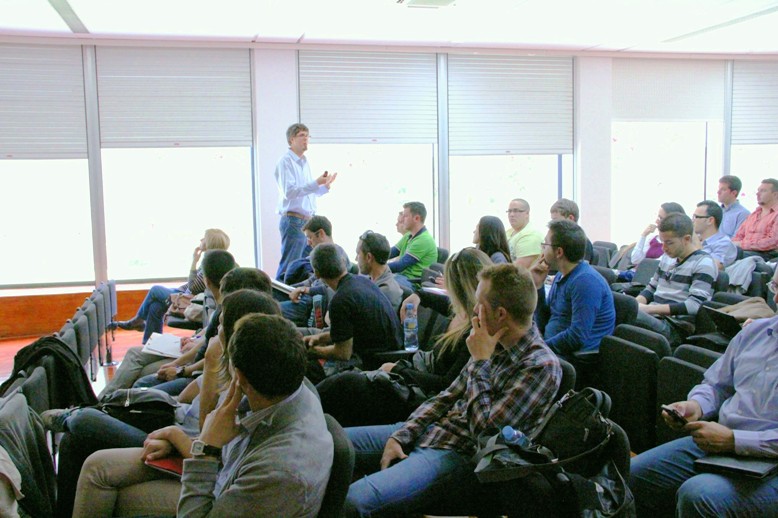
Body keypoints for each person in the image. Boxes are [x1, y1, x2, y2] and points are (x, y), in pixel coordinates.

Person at [343, 263, 561, 516]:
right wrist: (403, 434)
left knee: (353, 503)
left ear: (501, 314)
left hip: (458, 454)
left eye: (479, 304)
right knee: (329, 444)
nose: (474, 310)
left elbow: (485, 433)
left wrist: (480, 362)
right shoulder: (492, 341)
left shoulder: (540, 367)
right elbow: (446, 396)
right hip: (432, 430)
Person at [48, 290, 282, 518]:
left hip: (188, 450)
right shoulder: (232, 369)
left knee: (86, 425)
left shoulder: (246, 387)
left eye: (220, 325)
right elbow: (187, 398)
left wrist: (175, 435)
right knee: (73, 441)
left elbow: (209, 443)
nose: (215, 332)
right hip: (179, 431)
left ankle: (73, 415)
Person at [73, 313, 332, 518]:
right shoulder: (288, 387)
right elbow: (223, 445)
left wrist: (204, 451)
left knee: (115, 493)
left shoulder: (280, 472)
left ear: (240, 376)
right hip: (221, 473)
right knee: (97, 466)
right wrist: (184, 443)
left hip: (218, 492)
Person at [630, 295, 778, 517]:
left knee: (699, 495)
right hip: (722, 440)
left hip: (768, 456)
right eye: (776, 286)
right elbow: (717, 385)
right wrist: (697, 405)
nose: (776, 298)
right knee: (634, 474)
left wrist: (734, 440)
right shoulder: (755, 332)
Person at [316, 247, 489, 427]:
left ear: (459, 289)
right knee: (344, 385)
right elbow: (434, 299)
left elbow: (446, 385)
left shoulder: (474, 333)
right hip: (415, 376)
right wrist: (416, 296)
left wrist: (398, 370)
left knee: (346, 385)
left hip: (421, 396)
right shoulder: (461, 311)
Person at [99, 250, 238, 398]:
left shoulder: (228, 310)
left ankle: (106, 401)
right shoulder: (223, 305)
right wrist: (195, 339)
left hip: (195, 367)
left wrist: (180, 368)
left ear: (207, 281)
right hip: (192, 354)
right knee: (153, 312)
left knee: (141, 377)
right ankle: (106, 401)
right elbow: (209, 334)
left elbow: (214, 354)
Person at [113, 228, 230, 344]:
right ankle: (150, 343)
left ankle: (138, 321)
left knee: (155, 290)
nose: (201, 239)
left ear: (210, 242)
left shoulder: (211, 263)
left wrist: (194, 262)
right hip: (184, 294)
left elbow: (193, 287)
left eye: (204, 238)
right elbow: (191, 286)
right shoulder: (210, 260)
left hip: (190, 300)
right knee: (155, 306)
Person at [304, 243, 402, 377]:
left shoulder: (340, 300)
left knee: (306, 367)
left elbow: (343, 353)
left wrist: (311, 351)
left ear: (316, 273)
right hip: (392, 354)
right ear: (343, 262)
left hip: (372, 365)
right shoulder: (362, 281)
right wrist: (320, 337)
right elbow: (349, 331)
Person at [530, 219, 615, 360]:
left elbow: (576, 337)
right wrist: (538, 286)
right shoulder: (561, 274)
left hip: (575, 359)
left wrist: (539, 349)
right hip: (553, 349)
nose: (542, 249)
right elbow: (545, 320)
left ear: (559, 252)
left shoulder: (585, 282)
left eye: (545, 244)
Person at [634, 213, 717, 347]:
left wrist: (648, 309)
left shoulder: (704, 263)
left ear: (686, 239)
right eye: (662, 242)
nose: (664, 248)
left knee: (627, 314)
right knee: (620, 307)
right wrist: (634, 304)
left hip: (676, 327)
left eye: (669, 243)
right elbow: (651, 288)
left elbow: (694, 305)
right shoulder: (667, 257)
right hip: (655, 316)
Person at [274, 122, 337, 280]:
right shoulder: (285, 162)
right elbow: (289, 192)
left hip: (307, 221)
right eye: (302, 135)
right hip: (294, 220)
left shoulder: (305, 162)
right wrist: (316, 183)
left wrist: (324, 187)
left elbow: (308, 194)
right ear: (291, 140)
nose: (306, 139)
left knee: (306, 266)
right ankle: (279, 294)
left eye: (307, 136)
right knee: (289, 267)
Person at [388, 201, 438, 286]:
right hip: (402, 277)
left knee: (379, 283)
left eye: (405, 216)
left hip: (413, 282)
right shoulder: (408, 235)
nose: (402, 220)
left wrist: (375, 268)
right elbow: (390, 253)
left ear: (416, 218)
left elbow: (400, 266)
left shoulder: (424, 240)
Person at [355, 230, 404, 312]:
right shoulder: (375, 281)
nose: (356, 259)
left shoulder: (383, 293)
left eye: (358, 254)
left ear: (369, 257)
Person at [733, 178, 778, 260]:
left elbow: (773, 241)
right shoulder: (753, 215)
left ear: (775, 194)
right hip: (744, 251)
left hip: (766, 254)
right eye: (758, 190)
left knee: (730, 256)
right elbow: (739, 235)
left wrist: (741, 244)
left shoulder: (776, 214)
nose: (758, 194)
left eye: (763, 191)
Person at [282, 215, 335, 285]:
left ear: (321, 234)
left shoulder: (334, 259)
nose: (308, 243)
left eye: (310, 237)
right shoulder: (334, 256)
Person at [693, 200, 737, 269]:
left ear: (710, 220)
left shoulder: (724, 243)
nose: (693, 220)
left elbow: (712, 267)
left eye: (696, 217)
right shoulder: (694, 240)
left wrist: (695, 240)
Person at [549, 198, 595, 263]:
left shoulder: (583, 244)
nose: (553, 225)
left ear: (570, 218)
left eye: (556, 220)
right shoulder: (559, 240)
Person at [505, 198, 543, 268]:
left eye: (516, 211)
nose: (511, 214)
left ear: (527, 213)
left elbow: (519, 269)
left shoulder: (531, 236)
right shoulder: (508, 232)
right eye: (509, 211)